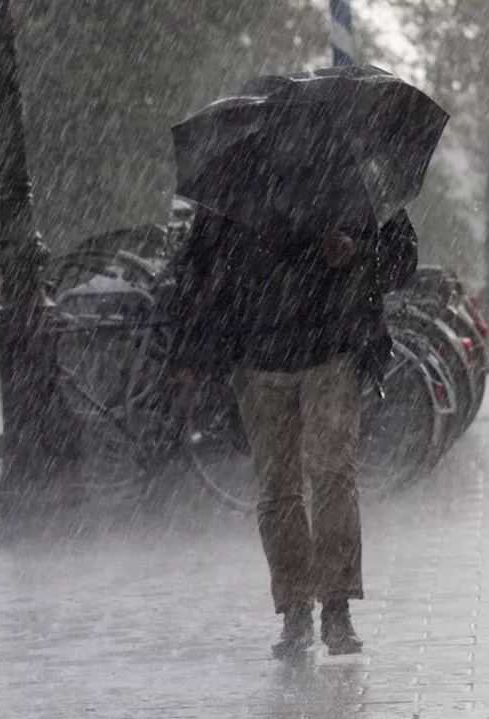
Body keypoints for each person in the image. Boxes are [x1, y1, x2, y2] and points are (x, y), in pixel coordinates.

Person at [170, 206, 417, 659]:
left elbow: (401, 259)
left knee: (332, 476)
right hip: (258, 357)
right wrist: (193, 348)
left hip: (332, 349)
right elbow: (200, 267)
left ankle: (336, 608)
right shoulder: (236, 181)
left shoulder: (351, 174)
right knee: (279, 489)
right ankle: (296, 609)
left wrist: (355, 251)